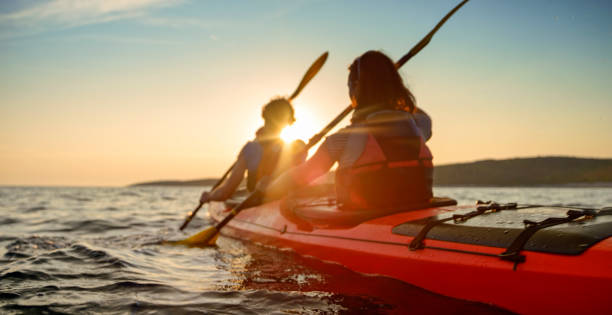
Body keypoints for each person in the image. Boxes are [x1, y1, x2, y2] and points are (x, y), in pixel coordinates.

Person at [265, 50, 433, 210]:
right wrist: (395, 92)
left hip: (365, 215)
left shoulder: (342, 140)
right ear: (395, 86)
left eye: (349, 86)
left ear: (355, 88)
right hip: (415, 205)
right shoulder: (416, 128)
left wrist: (268, 189)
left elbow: (301, 176)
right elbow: (424, 118)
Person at [199, 98, 306, 204]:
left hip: (263, 202)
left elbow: (225, 192)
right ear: (289, 122)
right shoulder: (298, 147)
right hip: (282, 202)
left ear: (265, 117)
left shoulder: (250, 149)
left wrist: (209, 196)